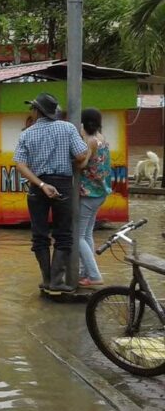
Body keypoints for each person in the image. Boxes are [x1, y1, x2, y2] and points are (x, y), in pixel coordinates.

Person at [13, 92, 90, 292]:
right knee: (63, 233)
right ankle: (57, 281)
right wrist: (86, 149)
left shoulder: (26, 134)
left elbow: (20, 165)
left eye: (32, 108)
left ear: (37, 111)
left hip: (37, 187)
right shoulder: (67, 128)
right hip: (63, 184)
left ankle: (47, 280)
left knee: (39, 234)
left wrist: (40, 185)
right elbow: (81, 155)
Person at [77, 108, 111, 287]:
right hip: (101, 192)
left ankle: (94, 275)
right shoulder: (102, 138)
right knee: (87, 233)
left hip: (90, 194)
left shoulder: (90, 141)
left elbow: (82, 164)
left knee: (78, 236)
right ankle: (86, 273)